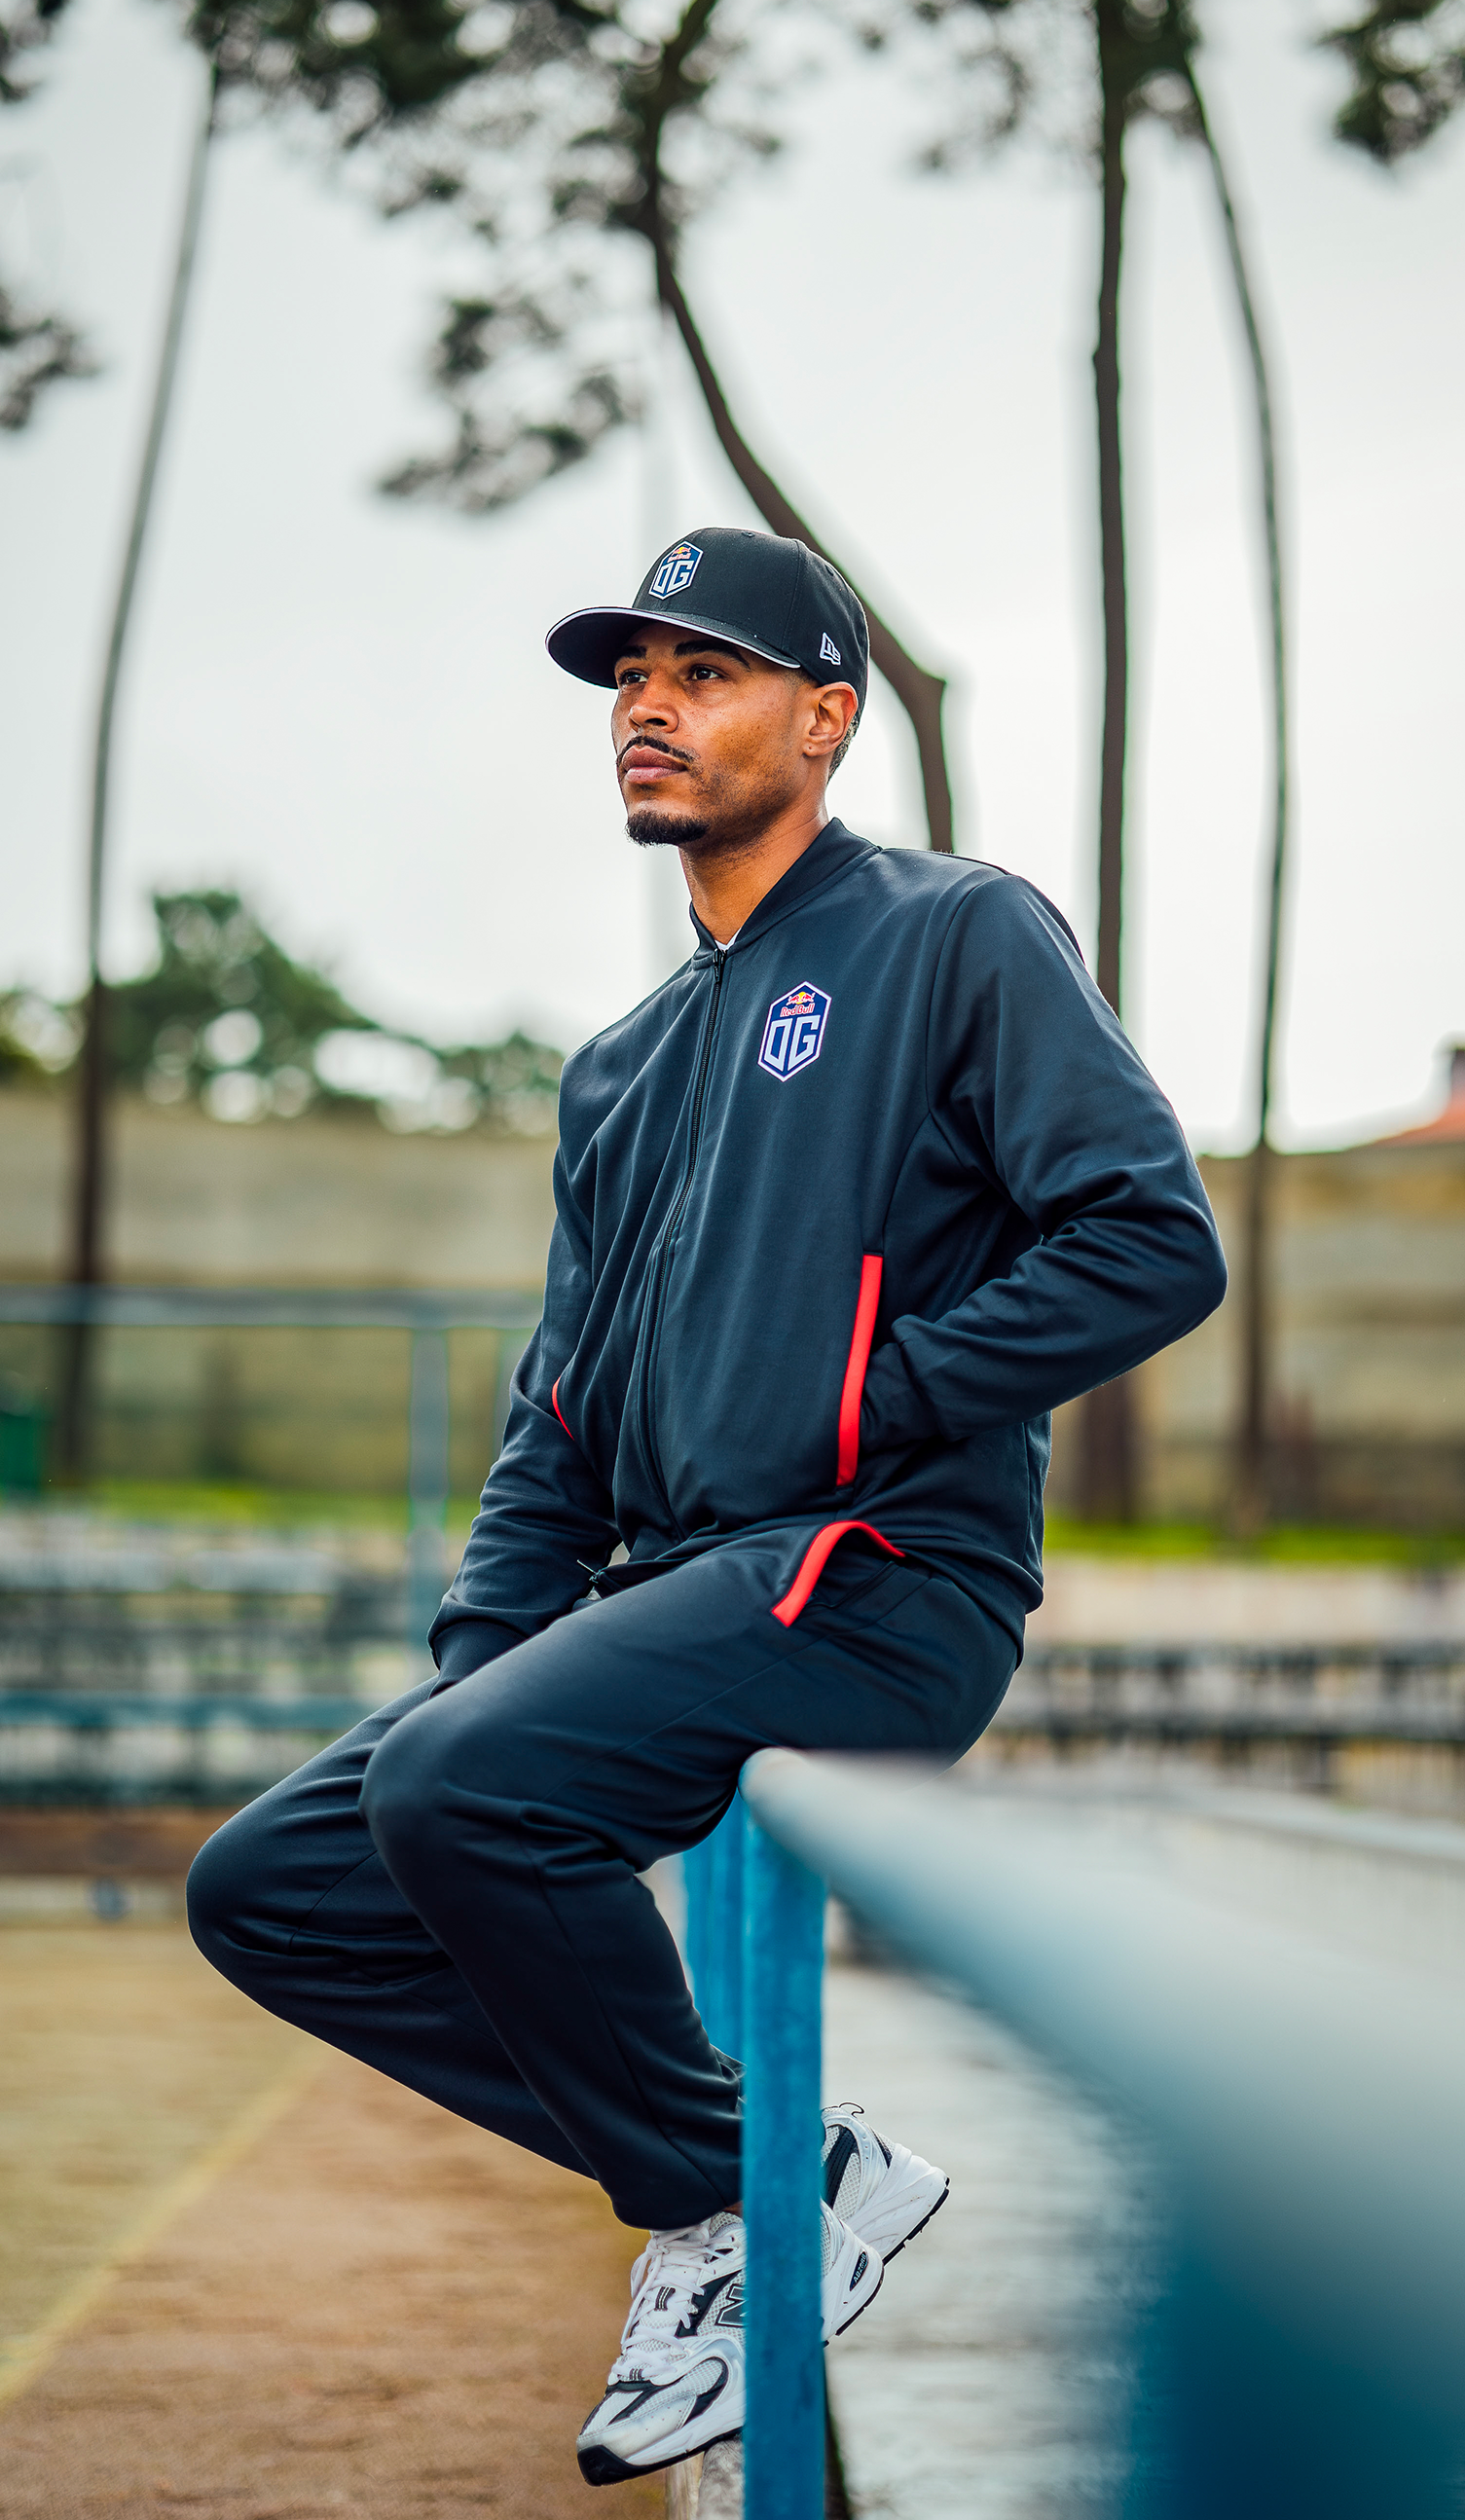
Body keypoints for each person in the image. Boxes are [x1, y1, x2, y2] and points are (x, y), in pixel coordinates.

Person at [188, 527, 1227, 2485]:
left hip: (878, 1573)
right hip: (677, 1589)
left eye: (703, 672)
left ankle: (732, 2201)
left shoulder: (952, 936)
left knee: (461, 1792)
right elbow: (557, 1416)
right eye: (629, 680)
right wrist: (478, 1677)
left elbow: (1151, 1243)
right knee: (271, 1887)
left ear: (826, 719)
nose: (647, 709)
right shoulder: (623, 1066)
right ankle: (765, 2170)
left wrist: (864, 1396)